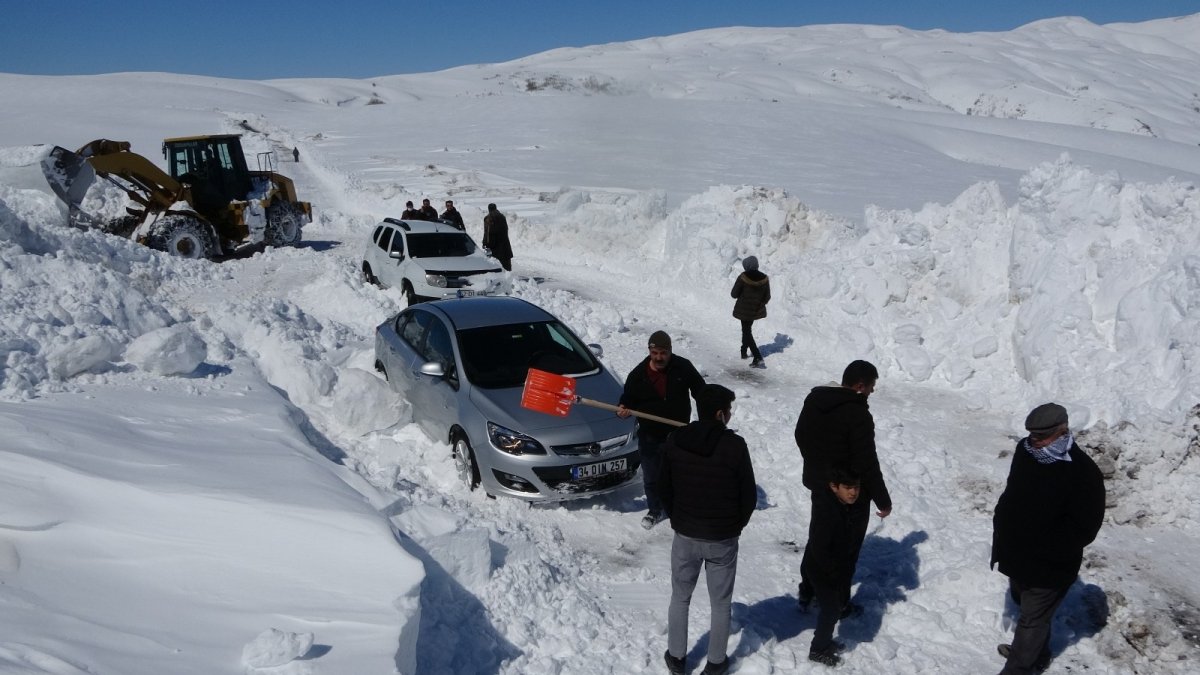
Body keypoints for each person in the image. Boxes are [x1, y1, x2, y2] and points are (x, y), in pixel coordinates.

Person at [991, 403, 1105, 675]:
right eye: (1031, 435)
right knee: (1026, 608)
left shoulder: (1083, 472)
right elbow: (1014, 491)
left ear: (1062, 431)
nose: (1035, 441)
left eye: (1041, 436)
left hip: (1049, 564)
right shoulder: (1026, 450)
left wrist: (1046, 549)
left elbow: (1085, 528)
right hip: (1016, 554)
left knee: (1033, 618)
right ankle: (1034, 653)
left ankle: (1018, 667)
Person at [659, 384, 756, 675]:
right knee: (721, 603)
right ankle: (715, 663)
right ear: (719, 414)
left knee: (680, 596)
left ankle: (676, 658)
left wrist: (678, 518)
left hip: (686, 534)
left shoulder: (675, 440)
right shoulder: (735, 446)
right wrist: (734, 525)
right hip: (722, 538)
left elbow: (664, 486)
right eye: (728, 410)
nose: (729, 415)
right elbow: (748, 496)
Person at [794, 360, 892, 616]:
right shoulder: (857, 414)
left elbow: (801, 436)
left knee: (819, 538)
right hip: (850, 493)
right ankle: (839, 602)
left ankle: (808, 590)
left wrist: (819, 469)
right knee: (845, 549)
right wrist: (882, 499)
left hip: (821, 485)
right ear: (860, 386)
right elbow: (866, 461)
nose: (871, 391)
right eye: (871, 386)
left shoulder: (815, 401)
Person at [617, 330, 706, 529]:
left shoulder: (682, 367)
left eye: (663, 353)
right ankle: (655, 510)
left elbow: (701, 391)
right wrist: (623, 408)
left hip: (678, 433)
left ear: (670, 351)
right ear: (650, 351)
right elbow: (627, 399)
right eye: (655, 352)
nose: (659, 357)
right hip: (650, 435)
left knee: (680, 474)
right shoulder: (638, 375)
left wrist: (707, 417)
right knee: (652, 476)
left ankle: (681, 508)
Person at [803, 465, 862, 667]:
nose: (853, 492)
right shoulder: (827, 512)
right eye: (848, 487)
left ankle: (824, 642)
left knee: (834, 607)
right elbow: (819, 546)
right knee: (831, 609)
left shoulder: (839, 505)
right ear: (834, 487)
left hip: (832, 567)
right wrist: (832, 572)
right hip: (822, 568)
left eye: (856, 487)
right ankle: (818, 649)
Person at [731, 255, 770, 368]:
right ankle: (743, 351)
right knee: (746, 329)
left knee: (747, 331)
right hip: (755, 310)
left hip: (743, 309)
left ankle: (758, 357)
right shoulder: (765, 279)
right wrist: (757, 303)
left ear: (746, 266)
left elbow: (734, 294)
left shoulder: (743, 277)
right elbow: (767, 297)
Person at [482, 203, 514, 271]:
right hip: (505, 245)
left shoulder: (488, 218)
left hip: (494, 246)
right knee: (507, 267)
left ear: (489, 209)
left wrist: (484, 243)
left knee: (495, 267)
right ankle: (509, 278)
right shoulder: (502, 217)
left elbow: (487, 233)